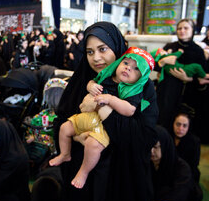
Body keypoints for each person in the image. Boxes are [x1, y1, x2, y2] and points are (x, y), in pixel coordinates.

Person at [55, 22, 158, 201]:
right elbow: (61, 121)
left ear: (118, 48)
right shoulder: (83, 80)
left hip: (118, 178)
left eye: (103, 49)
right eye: (90, 52)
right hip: (81, 177)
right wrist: (78, 136)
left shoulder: (142, 87)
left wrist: (99, 106)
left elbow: (143, 137)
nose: (96, 58)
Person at [50, 47, 154, 189]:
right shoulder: (107, 77)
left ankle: (83, 172)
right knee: (65, 128)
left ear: (141, 78)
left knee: (92, 145)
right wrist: (91, 86)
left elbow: (130, 110)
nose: (128, 69)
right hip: (90, 116)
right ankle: (65, 154)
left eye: (136, 69)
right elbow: (92, 82)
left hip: (105, 126)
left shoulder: (133, 91)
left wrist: (110, 99)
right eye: (125, 63)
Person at [155, 18, 209, 131]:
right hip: (166, 92)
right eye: (179, 28)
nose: (182, 31)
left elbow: (202, 76)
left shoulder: (198, 51)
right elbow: (156, 65)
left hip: (187, 94)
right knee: (163, 120)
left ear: (192, 30)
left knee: (180, 125)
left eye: (186, 28)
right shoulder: (170, 46)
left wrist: (187, 78)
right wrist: (162, 63)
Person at [151, 126, 192, 201]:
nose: (151, 151)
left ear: (165, 145)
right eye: (149, 146)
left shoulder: (182, 169)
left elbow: (178, 197)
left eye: (155, 147)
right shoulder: (146, 161)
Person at [171, 112, 203, 201]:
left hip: (185, 173)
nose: (180, 128)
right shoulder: (167, 137)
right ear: (173, 124)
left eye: (184, 126)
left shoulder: (194, 142)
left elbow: (193, 165)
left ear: (188, 127)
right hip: (168, 171)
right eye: (178, 124)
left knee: (197, 196)